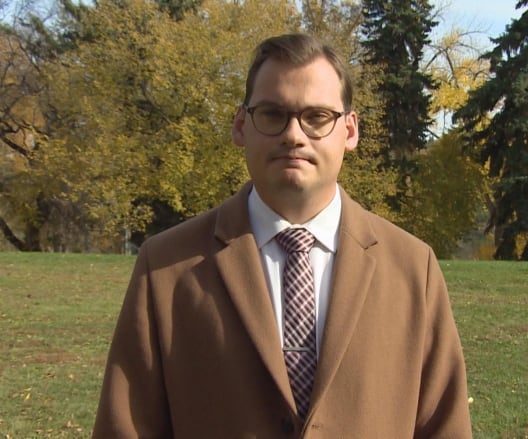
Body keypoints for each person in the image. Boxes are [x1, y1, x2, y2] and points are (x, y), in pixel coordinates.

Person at [92, 33, 472, 438]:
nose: (294, 134)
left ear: (350, 130)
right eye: (272, 114)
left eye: (317, 117)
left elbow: (443, 428)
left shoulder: (414, 268)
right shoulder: (167, 267)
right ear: (241, 125)